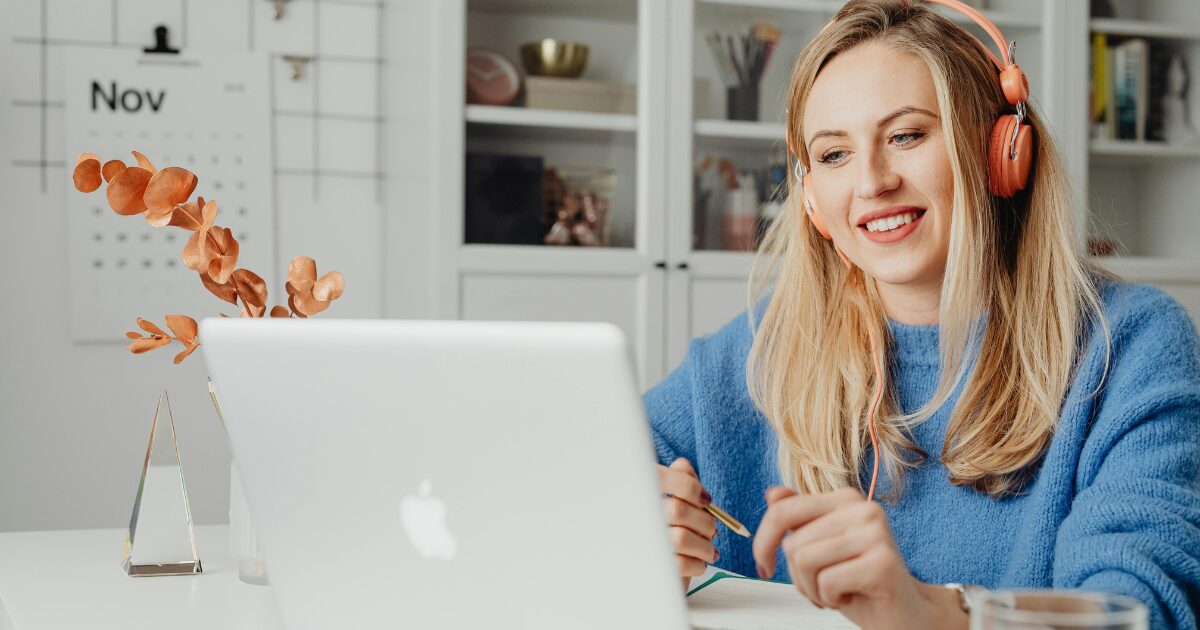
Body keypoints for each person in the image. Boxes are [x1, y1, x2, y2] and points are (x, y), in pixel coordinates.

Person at [646, 1, 1200, 629]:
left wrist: (935, 612)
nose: (871, 182)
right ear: (812, 203)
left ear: (1001, 154)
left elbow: (1141, 610)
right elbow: (582, 465)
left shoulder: (1130, 343)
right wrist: (633, 523)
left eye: (906, 136)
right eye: (833, 155)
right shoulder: (766, 341)